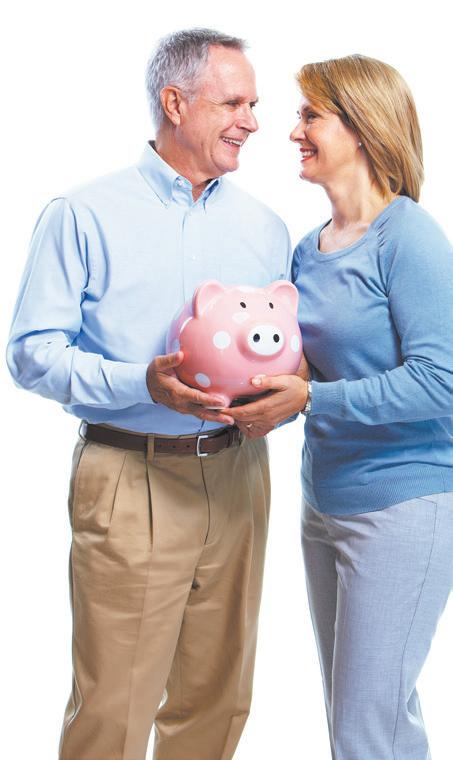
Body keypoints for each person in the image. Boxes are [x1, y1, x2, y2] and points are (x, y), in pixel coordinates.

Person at [7, 28, 291, 760]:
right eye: (233, 103)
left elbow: (281, 346)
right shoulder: (83, 213)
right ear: (175, 102)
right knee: (114, 707)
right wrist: (140, 383)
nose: (252, 121)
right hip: (129, 474)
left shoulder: (264, 228)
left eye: (253, 104)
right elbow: (31, 354)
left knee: (218, 699)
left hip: (238, 474)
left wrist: (285, 397)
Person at [225, 54, 453, 759]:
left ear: (360, 127)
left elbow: (440, 381)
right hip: (324, 503)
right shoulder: (307, 251)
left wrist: (313, 397)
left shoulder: (407, 235)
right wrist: (252, 394)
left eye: (310, 116)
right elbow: (304, 371)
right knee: (354, 722)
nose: (293, 131)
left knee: (369, 730)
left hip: (401, 506)